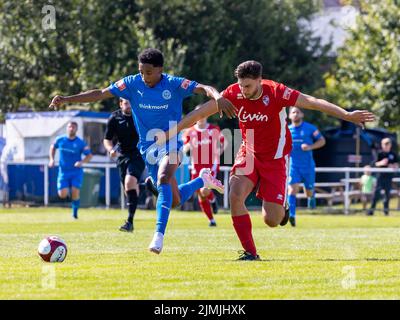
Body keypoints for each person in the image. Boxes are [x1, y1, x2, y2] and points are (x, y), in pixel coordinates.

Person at [157, 60, 375, 260]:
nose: (243, 90)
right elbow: (198, 115)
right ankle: (251, 253)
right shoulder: (233, 93)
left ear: (260, 81)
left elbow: (313, 102)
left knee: (271, 220)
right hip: (248, 153)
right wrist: (170, 132)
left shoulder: (277, 92)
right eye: (241, 85)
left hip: (276, 158)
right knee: (235, 195)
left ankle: (283, 207)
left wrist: (346, 115)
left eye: (248, 86)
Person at [49, 48, 234, 254]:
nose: (143, 76)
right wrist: (66, 99)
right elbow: (100, 93)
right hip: (147, 148)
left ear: (160, 70)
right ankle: (202, 180)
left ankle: (158, 236)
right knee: (174, 200)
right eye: (141, 71)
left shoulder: (173, 84)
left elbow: (204, 88)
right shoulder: (131, 83)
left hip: (172, 143)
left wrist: (217, 96)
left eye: (148, 72)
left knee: (163, 177)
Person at [103, 98, 145, 232]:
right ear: (121, 104)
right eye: (126, 103)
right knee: (129, 189)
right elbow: (107, 139)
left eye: (131, 103)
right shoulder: (114, 118)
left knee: (129, 182)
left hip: (139, 154)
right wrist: (110, 150)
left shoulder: (140, 115)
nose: (129, 106)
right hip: (122, 156)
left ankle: (129, 222)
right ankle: (145, 186)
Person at [182, 113, 226, 226]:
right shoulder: (190, 131)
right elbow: (185, 147)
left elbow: (223, 142)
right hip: (196, 166)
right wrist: (188, 147)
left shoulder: (213, 129)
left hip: (210, 165)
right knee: (200, 193)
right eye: (199, 115)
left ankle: (211, 199)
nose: (201, 117)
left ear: (206, 116)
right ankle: (211, 219)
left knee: (204, 190)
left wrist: (219, 153)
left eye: (203, 115)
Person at [287, 107, 326, 227]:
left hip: (308, 166)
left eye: (298, 112)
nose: (295, 114)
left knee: (308, 191)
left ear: (302, 114)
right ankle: (291, 215)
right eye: (293, 112)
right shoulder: (286, 130)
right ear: (289, 116)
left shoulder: (310, 128)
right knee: (292, 190)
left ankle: (311, 197)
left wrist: (310, 147)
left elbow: (322, 141)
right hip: (294, 166)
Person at [49, 121, 93, 219]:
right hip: (63, 171)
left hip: (76, 172)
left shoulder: (80, 142)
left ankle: (74, 213)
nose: (71, 129)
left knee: (75, 192)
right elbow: (52, 147)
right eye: (69, 127)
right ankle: (69, 192)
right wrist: (51, 159)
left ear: (76, 129)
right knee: (62, 195)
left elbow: (89, 155)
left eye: (73, 127)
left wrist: (81, 162)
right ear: (67, 128)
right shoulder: (60, 140)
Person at [367, 138, 399, 216]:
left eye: (388, 144)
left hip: (389, 177)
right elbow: (373, 164)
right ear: (382, 145)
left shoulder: (394, 154)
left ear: (390, 145)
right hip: (380, 176)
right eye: (385, 144)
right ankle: (371, 211)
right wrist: (381, 163)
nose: (386, 146)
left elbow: (397, 164)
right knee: (376, 195)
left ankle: (386, 212)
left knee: (387, 195)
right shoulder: (379, 154)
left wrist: (394, 165)